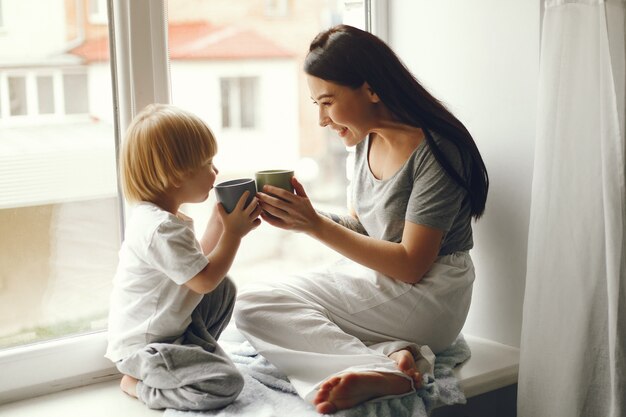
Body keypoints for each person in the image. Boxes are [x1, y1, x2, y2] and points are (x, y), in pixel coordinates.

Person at [234, 24, 489, 414]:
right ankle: (394, 355)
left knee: (255, 305)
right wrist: (304, 215)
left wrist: (314, 226)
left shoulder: (438, 151)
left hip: (432, 291)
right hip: (385, 284)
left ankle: (383, 371)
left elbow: (411, 265)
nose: (321, 119)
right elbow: (364, 231)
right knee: (254, 300)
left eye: (327, 101)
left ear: (371, 90)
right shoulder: (364, 139)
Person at [105, 103, 262, 411]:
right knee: (226, 384)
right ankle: (139, 386)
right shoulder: (160, 228)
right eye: (207, 163)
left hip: (172, 332)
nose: (215, 171)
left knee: (224, 288)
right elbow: (203, 280)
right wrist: (233, 235)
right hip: (146, 349)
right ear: (176, 175)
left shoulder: (165, 219)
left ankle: (196, 354)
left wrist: (220, 222)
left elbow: (196, 267)